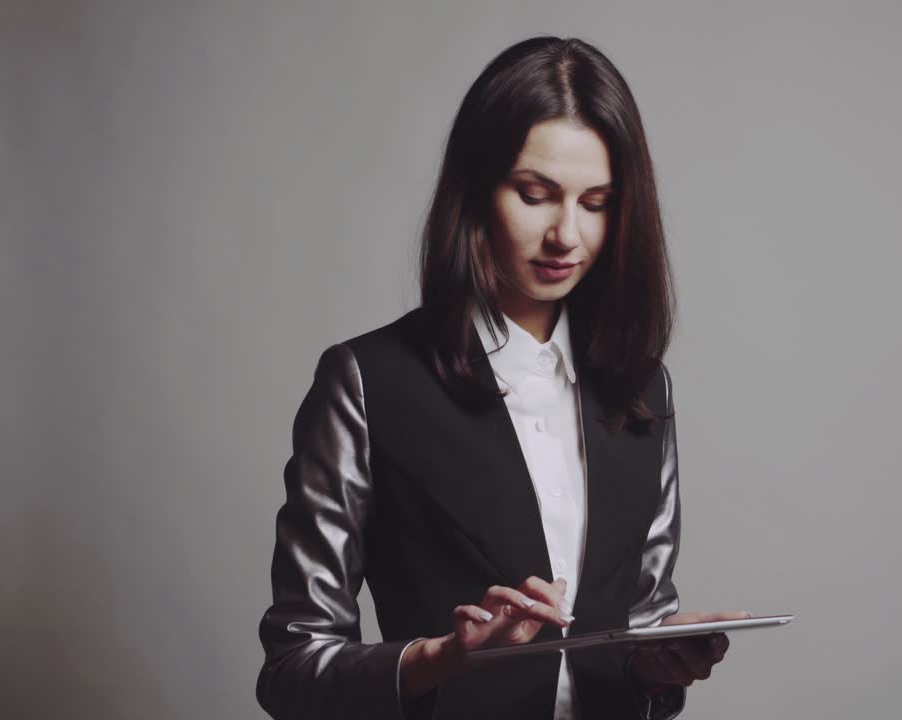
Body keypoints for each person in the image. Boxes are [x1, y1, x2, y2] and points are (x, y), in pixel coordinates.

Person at [254, 35, 748, 720]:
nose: (566, 236)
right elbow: (293, 671)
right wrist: (441, 659)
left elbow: (641, 625)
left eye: (597, 202)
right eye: (536, 195)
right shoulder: (367, 383)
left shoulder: (642, 389)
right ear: (476, 190)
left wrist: (657, 664)